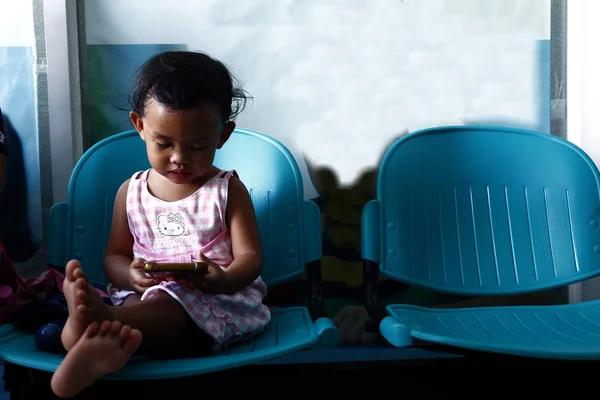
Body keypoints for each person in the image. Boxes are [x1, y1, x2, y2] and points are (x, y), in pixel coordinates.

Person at [50, 51, 272, 398]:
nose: (180, 158)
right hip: (141, 297)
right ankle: (92, 339)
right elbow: (114, 258)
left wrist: (224, 278)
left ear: (223, 135)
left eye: (197, 146)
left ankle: (97, 329)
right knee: (144, 306)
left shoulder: (227, 189)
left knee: (174, 305)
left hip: (213, 302)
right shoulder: (131, 191)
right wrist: (132, 276)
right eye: (164, 143)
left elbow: (251, 257)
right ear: (140, 126)